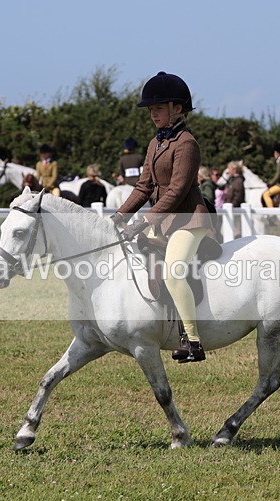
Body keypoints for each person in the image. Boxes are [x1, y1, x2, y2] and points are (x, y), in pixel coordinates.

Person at [109, 71, 215, 364]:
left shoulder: (186, 143)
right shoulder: (154, 143)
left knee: (173, 273)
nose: (153, 114)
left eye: (158, 108)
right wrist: (118, 217)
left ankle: (193, 341)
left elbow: (177, 191)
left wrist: (144, 221)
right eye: (151, 110)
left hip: (188, 220)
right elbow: (143, 187)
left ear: (177, 108)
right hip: (164, 221)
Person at [262, 142, 280, 208]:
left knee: (266, 194)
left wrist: (270, 183)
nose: (274, 154)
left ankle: (271, 211)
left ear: (278, 153)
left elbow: (278, 175)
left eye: (275, 152)